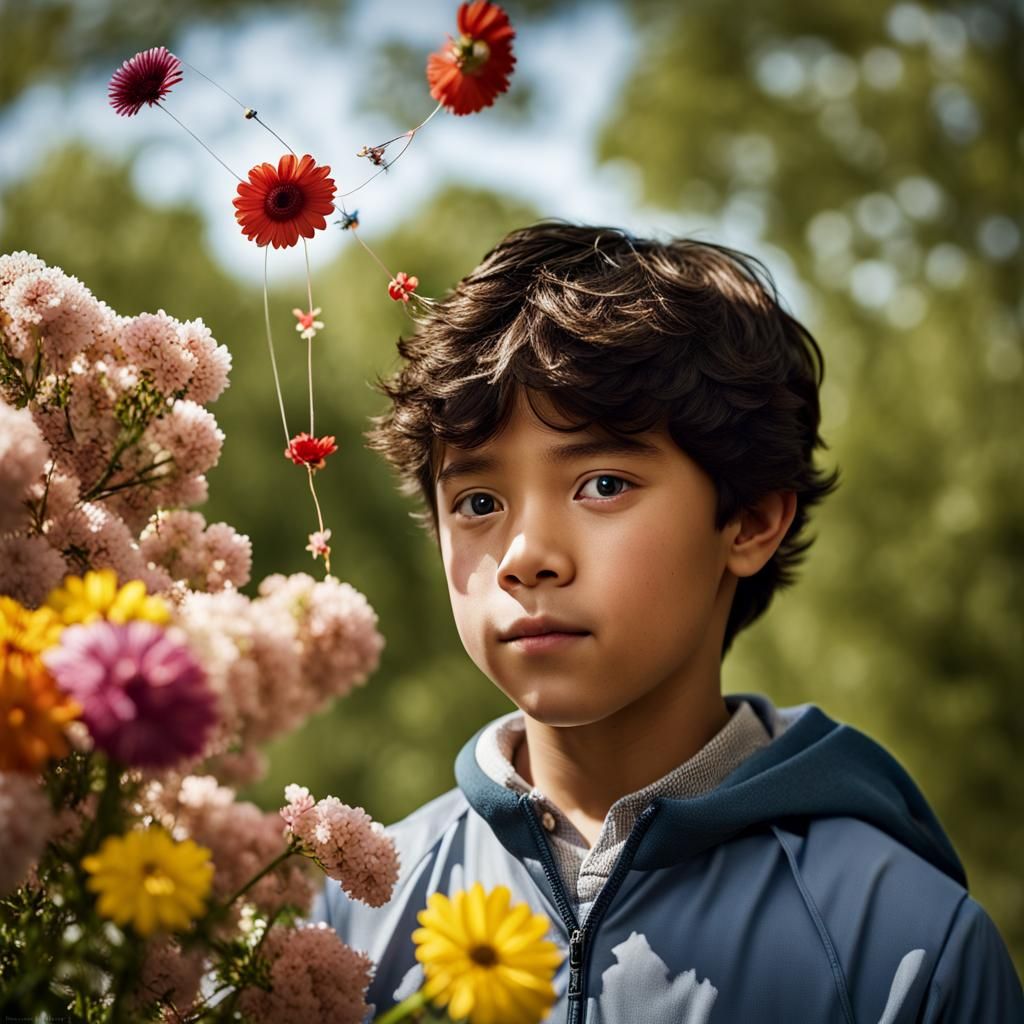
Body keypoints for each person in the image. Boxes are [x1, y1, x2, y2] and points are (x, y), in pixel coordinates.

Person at [312, 223, 1022, 1022]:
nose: (525, 556)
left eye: (604, 484)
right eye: (478, 502)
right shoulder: (342, 923)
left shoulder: (904, 946)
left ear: (749, 521)